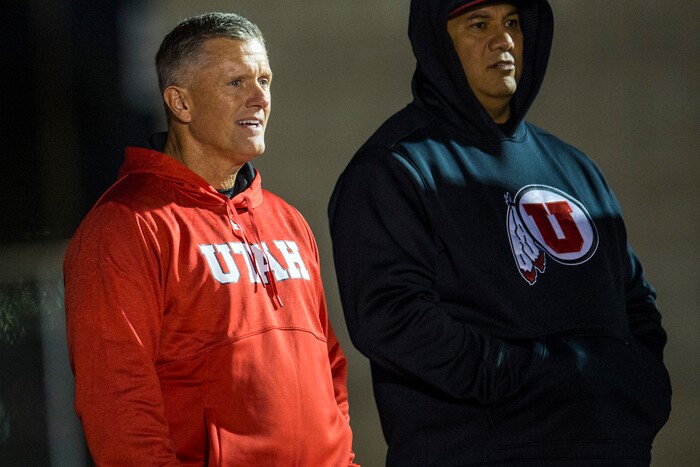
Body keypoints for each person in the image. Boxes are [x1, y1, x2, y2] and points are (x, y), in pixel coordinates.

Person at [328, 0, 671, 465]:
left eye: (512, 23)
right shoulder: (393, 168)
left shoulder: (575, 166)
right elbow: (393, 320)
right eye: (479, 24)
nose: (503, 39)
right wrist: (534, 379)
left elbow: (635, 298)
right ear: (437, 43)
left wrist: (639, 384)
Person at [64, 12, 358, 466]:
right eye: (236, 83)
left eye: (264, 79)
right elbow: (118, 404)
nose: (260, 97)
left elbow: (331, 369)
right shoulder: (126, 226)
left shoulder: (287, 219)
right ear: (180, 103)